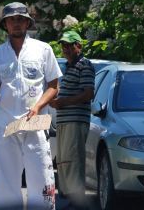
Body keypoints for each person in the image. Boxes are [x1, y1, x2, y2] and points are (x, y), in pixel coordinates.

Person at [0, 2, 61, 209]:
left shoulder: (43, 50)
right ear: (5, 25)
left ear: (27, 23)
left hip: (35, 123)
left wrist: (37, 106)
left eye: (20, 19)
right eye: (11, 20)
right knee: (5, 181)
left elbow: (54, 86)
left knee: (41, 178)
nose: (16, 23)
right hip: (5, 124)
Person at [49, 30, 95, 210]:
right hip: (64, 119)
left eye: (69, 45)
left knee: (73, 161)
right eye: (63, 46)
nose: (65, 49)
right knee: (64, 160)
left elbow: (88, 93)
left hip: (75, 120)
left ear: (79, 46)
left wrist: (63, 101)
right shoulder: (68, 67)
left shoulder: (85, 65)